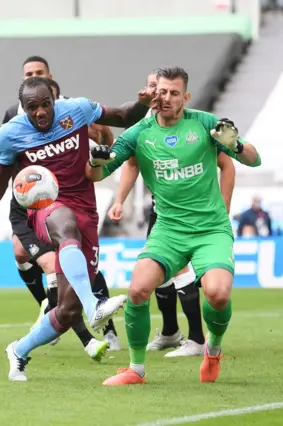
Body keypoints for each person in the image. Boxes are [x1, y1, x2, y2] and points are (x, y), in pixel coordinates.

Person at [0, 76, 153, 381]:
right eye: (33, 107)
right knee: (64, 224)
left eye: (45, 104)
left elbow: (124, 116)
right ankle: (94, 303)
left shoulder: (77, 110)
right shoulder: (11, 133)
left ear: (54, 101)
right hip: (45, 208)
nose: (41, 112)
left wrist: (143, 103)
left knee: (68, 312)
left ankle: (18, 350)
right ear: (23, 108)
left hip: (87, 212)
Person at [86, 66, 261, 385]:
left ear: (186, 97)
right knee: (138, 289)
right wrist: (96, 163)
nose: (166, 98)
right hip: (168, 229)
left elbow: (253, 159)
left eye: (173, 93)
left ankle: (213, 348)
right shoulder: (139, 132)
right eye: (161, 91)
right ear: (153, 93)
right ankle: (135, 369)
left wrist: (234, 144)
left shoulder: (204, 123)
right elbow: (99, 174)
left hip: (210, 229)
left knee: (218, 295)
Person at [0, 57, 121, 358]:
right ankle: (82, 315)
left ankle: (44, 329)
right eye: (27, 75)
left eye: (38, 74)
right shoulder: (14, 117)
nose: (38, 110)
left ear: (51, 80)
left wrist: (104, 147)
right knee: (41, 254)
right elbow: (4, 162)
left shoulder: (72, 110)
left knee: (72, 277)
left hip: (77, 201)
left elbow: (104, 139)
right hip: (32, 206)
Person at [107, 71, 236, 357]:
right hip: (164, 215)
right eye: (154, 88)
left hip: (204, 221)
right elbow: (128, 164)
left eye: (166, 89)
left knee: (193, 281)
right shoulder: (141, 129)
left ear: (181, 95)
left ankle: (198, 338)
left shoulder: (199, 127)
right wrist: (119, 200)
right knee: (152, 283)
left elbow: (229, 163)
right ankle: (169, 332)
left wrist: (223, 211)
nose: (159, 94)